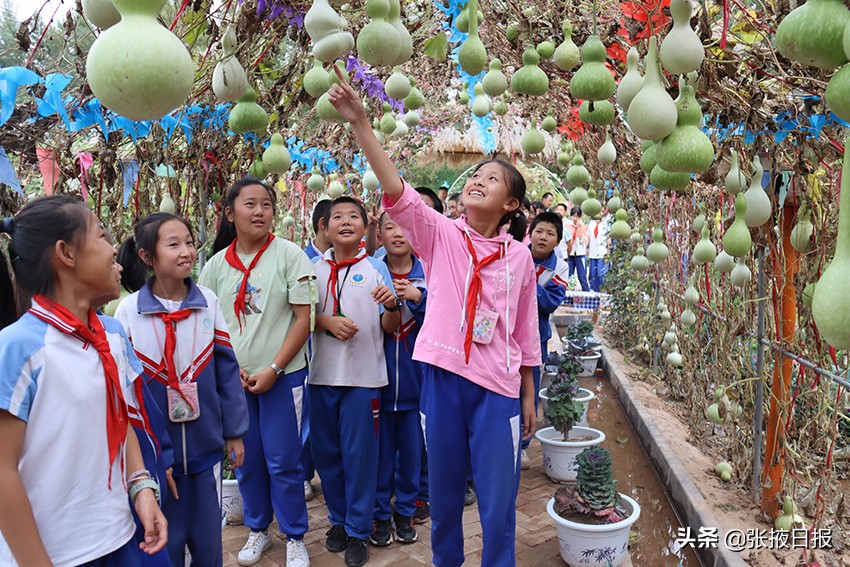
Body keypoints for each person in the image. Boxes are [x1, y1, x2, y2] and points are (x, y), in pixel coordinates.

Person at [329, 67, 540, 567]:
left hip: (498, 391)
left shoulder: (520, 258)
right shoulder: (443, 235)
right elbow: (396, 190)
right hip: (442, 380)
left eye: (491, 180)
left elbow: (525, 331)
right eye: (475, 176)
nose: (477, 181)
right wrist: (361, 123)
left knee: (497, 507)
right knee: (444, 501)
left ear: (509, 204)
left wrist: (530, 394)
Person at [0, 197, 167, 565]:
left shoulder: (106, 336)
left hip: (118, 539)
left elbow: (118, 415)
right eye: (103, 235)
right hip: (57, 555)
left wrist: (140, 486)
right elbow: (2, 472)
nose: (113, 249)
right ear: (66, 253)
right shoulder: (17, 349)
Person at [114, 213, 249, 567]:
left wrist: (234, 432)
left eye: (189, 242)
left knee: (208, 542)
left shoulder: (207, 302)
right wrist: (152, 455)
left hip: (206, 452)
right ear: (147, 256)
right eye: (173, 244)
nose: (186, 251)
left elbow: (226, 369)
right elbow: (130, 393)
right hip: (160, 459)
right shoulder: (128, 312)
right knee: (166, 541)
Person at [199, 178, 315, 567]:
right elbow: (208, 325)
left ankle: (295, 535)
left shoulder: (289, 254)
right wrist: (226, 376)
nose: (260, 211)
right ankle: (258, 529)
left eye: (266, 204)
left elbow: (304, 318)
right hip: (235, 383)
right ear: (230, 214)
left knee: (284, 460)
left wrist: (274, 368)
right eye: (250, 204)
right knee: (245, 459)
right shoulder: (215, 266)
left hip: (283, 378)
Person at [309, 197, 401, 567]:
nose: (346, 221)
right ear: (324, 227)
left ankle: (360, 531)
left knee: (360, 458)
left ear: (366, 227)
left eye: (354, 217)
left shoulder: (377, 269)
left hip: (363, 380)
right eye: (337, 217)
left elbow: (389, 327)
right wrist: (325, 321)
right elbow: (300, 318)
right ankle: (339, 521)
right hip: (321, 377)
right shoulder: (311, 270)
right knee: (327, 455)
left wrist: (393, 306)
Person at [370, 212, 428, 548]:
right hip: (377, 383)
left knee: (411, 454)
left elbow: (447, 316)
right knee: (379, 454)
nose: (397, 233)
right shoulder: (371, 272)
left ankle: (404, 511)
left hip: (416, 385)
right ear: (378, 234)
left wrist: (419, 299)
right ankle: (380, 514)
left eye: (404, 227)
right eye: (389, 227)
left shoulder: (429, 272)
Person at [521, 212, 570, 470]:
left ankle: (522, 448)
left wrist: (527, 276)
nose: (544, 237)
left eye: (551, 234)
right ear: (531, 233)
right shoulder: (516, 252)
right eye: (540, 231)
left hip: (535, 338)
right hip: (505, 335)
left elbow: (550, 303)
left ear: (557, 241)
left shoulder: (559, 267)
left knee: (528, 392)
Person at [562, 207, 590, 291]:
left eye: (577, 216)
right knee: (569, 276)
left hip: (580, 253)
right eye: (573, 216)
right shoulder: (567, 226)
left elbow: (583, 240)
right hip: (570, 254)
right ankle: (570, 294)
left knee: (582, 276)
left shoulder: (583, 226)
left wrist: (579, 229)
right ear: (570, 216)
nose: (575, 218)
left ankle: (586, 293)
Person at [587, 211, 609, 292]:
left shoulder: (606, 223)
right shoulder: (591, 223)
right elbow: (588, 236)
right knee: (593, 275)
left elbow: (608, 238)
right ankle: (596, 293)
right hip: (592, 252)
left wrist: (608, 253)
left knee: (601, 274)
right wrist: (586, 248)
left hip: (603, 253)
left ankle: (603, 292)